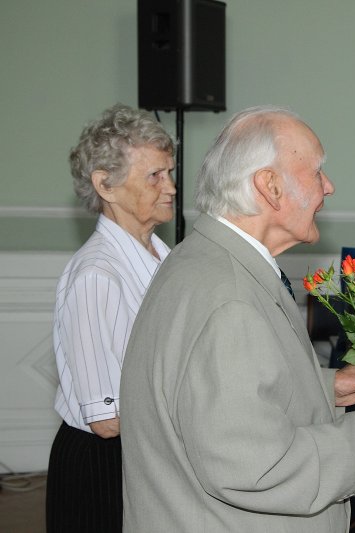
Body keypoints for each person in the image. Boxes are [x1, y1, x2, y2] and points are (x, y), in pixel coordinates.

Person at [119, 106, 355, 532]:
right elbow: (253, 467)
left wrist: (325, 386)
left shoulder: (203, 259)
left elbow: (214, 396)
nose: (329, 186)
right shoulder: (230, 299)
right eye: (317, 172)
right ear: (270, 187)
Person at [46, 104, 175, 533]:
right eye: (154, 176)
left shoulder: (164, 256)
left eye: (169, 172)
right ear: (105, 185)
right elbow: (106, 420)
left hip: (144, 454)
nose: (171, 187)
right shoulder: (96, 275)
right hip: (104, 466)